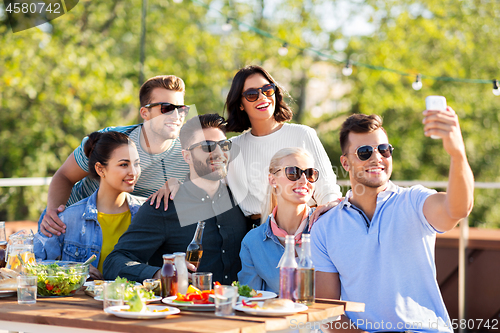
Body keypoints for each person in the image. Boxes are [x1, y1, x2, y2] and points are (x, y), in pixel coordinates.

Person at [311, 110, 474, 332]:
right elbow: (326, 311)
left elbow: (458, 209)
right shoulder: (325, 226)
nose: (377, 158)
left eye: (384, 150)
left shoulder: (415, 201)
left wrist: (457, 154)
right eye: (365, 152)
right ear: (345, 163)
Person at [39, 75, 190, 238]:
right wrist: (54, 213)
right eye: (166, 108)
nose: (176, 116)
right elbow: (64, 176)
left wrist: (181, 188)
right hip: (70, 227)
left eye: (181, 109)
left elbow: (208, 203)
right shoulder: (109, 140)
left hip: (126, 234)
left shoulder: (190, 153)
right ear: (144, 112)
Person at [103, 114, 247, 284]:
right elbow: (115, 262)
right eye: (207, 146)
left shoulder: (241, 200)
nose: (218, 153)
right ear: (187, 156)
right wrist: (160, 273)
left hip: (240, 307)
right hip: (186, 308)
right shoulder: (163, 206)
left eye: (224, 145)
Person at [224, 65, 342, 226]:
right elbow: (204, 179)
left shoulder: (302, 134)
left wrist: (329, 219)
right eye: (252, 94)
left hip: (305, 227)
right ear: (240, 104)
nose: (262, 97)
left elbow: (327, 186)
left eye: (267, 89)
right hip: (257, 234)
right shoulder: (232, 148)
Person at [34, 131, 143, 280]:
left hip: (133, 302)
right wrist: (72, 270)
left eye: (136, 163)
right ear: (100, 169)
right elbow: (32, 265)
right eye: (124, 164)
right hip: (80, 302)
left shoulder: (147, 214)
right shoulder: (67, 219)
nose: (133, 172)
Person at [238, 147, 318, 293]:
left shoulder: (327, 228)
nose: (304, 180)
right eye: (293, 172)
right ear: (272, 180)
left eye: (310, 174)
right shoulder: (253, 242)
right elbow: (250, 300)